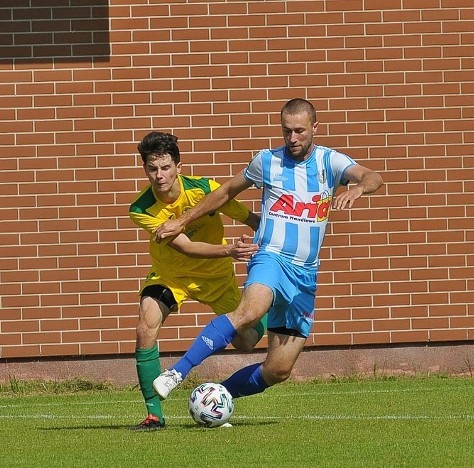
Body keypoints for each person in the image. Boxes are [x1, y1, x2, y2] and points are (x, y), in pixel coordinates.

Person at [150, 98, 383, 404]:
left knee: (278, 370)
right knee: (249, 312)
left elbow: (373, 177)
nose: (292, 138)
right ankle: (177, 372)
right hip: (270, 256)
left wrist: (356, 188)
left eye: (299, 131)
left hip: (305, 274)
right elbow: (224, 192)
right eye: (286, 131)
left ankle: (216, 396)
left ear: (315, 128)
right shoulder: (267, 161)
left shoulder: (330, 161)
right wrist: (182, 221)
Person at [129, 131, 267, 431]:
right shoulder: (140, 209)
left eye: (165, 167)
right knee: (145, 326)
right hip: (171, 276)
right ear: (145, 169)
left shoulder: (206, 189)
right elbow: (184, 246)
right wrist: (230, 250)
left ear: (178, 166)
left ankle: (264, 307)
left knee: (248, 341)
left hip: (216, 279)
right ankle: (154, 415)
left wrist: (266, 234)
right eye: (152, 168)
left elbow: (247, 216)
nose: (159, 175)